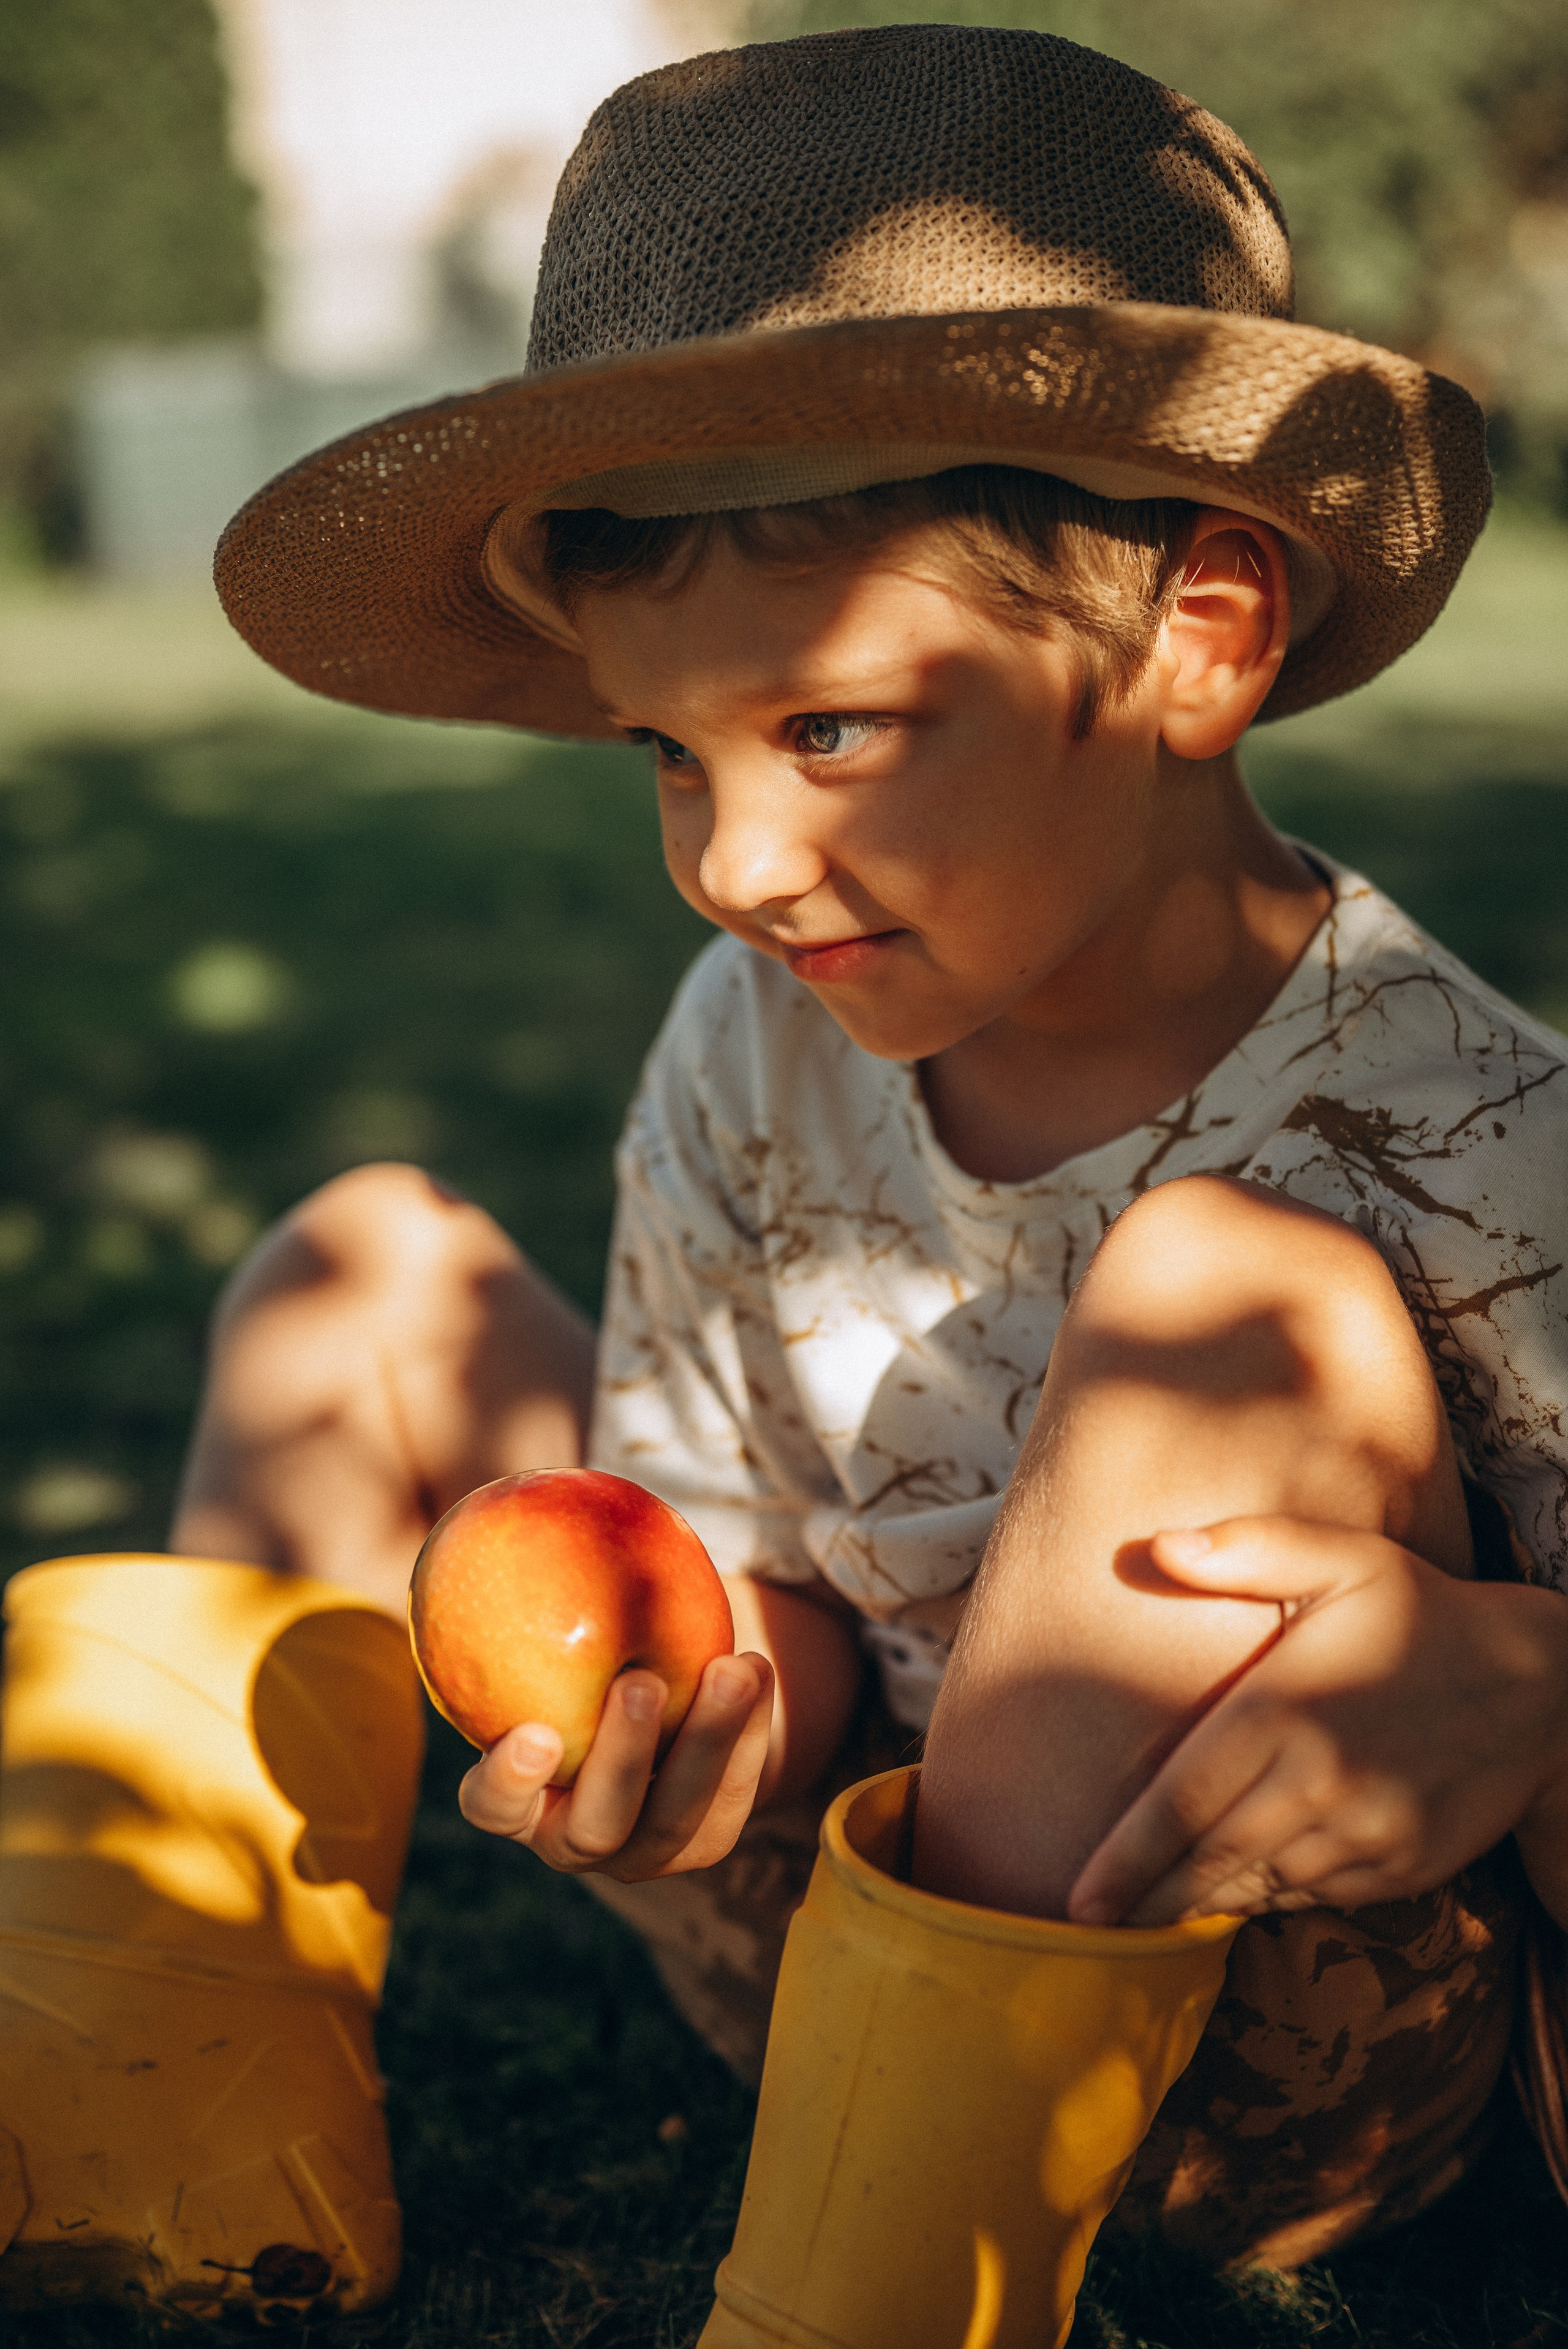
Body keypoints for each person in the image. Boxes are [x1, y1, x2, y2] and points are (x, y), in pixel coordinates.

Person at [6, 20, 1567, 2336]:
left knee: (1221, 1293)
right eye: (671, 750)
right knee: (359, 1274)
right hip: (817, 1964)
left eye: (829, 728)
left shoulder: (1470, 1125)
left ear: (1200, 632)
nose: (734, 861)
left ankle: (866, 2302)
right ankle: (158, 2168)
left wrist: (1527, 1686)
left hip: (1238, 2055)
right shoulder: (767, 1023)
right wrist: (726, 1703)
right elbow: (744, 1555)